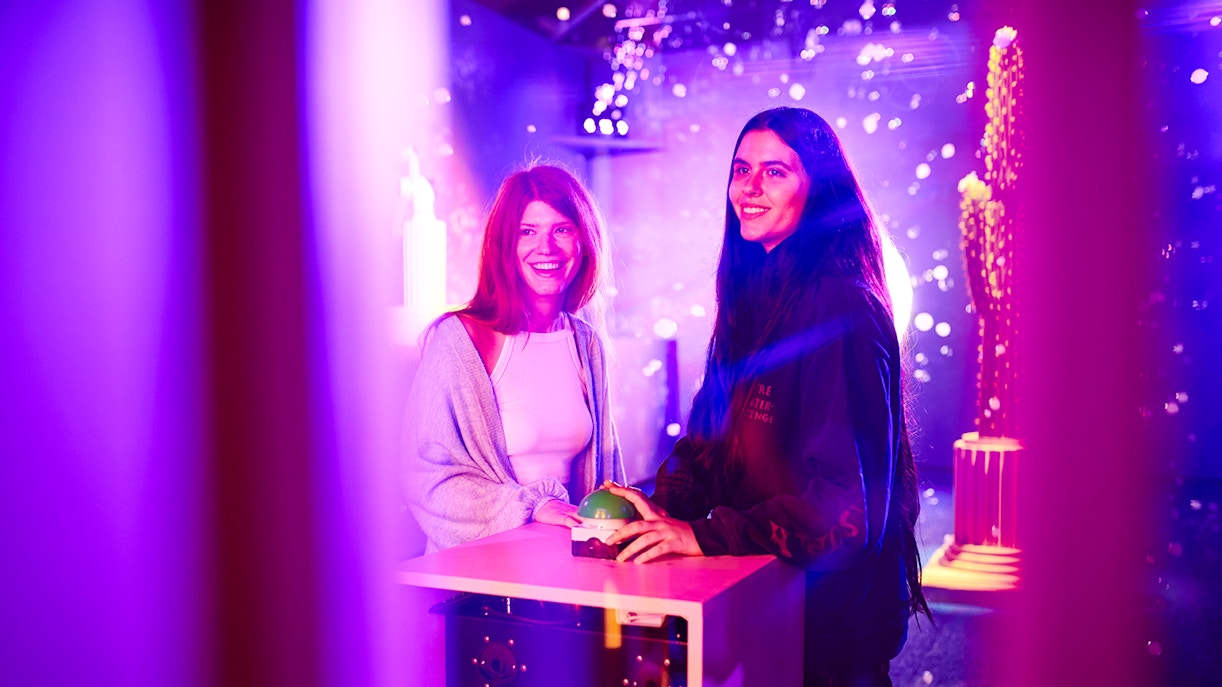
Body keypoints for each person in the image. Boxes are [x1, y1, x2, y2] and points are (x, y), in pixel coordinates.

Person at [605, 107, 932, 686]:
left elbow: (844, 512)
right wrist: (661, 506)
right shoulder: (754, 292)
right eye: (741, 169)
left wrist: (704, 534)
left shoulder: (840, 306)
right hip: (769, 603)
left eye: (775, 172)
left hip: (832, 629)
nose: (750, 189)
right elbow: (708, 442)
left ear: (820, 189)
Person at [403, 164, 625, 552]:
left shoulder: (586, 343)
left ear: (583, 241)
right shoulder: (459, 340)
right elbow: (426, 479)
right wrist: (534, 505)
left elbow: (606, 475)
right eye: (528, 232)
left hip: (569, 574)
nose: (547, 247)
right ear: (505, 245)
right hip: (479, 578)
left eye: (562, 229)